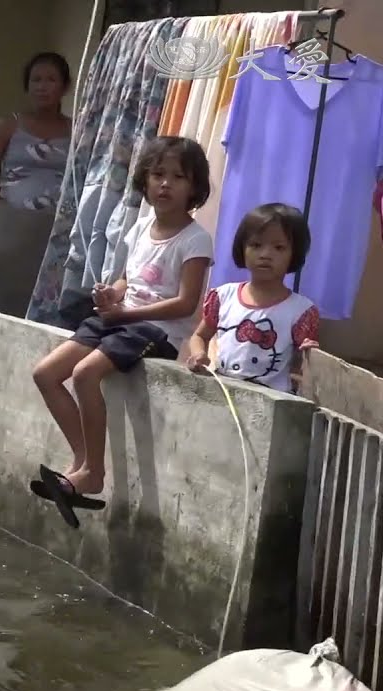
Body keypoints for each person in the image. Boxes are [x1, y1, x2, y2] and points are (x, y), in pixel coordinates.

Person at [29, 136, 214, 528]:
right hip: (122, 320)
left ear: (194, 189)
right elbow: (128, 279)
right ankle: (84, 463)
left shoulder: (196, 240)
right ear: (144, 181)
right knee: (45, 374)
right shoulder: (142, 227)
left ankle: (92, 472)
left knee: (84, 374)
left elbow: (185, 304)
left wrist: (124, 315)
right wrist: (110, 295)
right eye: (158, 174)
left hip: (154, 331)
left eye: (178, 177)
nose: (165, 184)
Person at [185, 203, 320, 394]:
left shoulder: (301, 311)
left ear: (294, 254)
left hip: (272, 405)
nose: (265, 255)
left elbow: (302, 367)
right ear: (242, 248)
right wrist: (198, 354)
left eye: (279, 247)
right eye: (256, 245)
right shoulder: (223, 297)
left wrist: (309, 355)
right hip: (222, 393)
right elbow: (199, 335)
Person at [0, 52, 72, 211]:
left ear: (65, 87)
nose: (42, 87)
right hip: (11, 223)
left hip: (57, 228)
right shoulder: (9, 125)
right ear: (28, 86)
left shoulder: (76, 131)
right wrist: (0, 206)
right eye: (36, 80)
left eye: (51, 80)